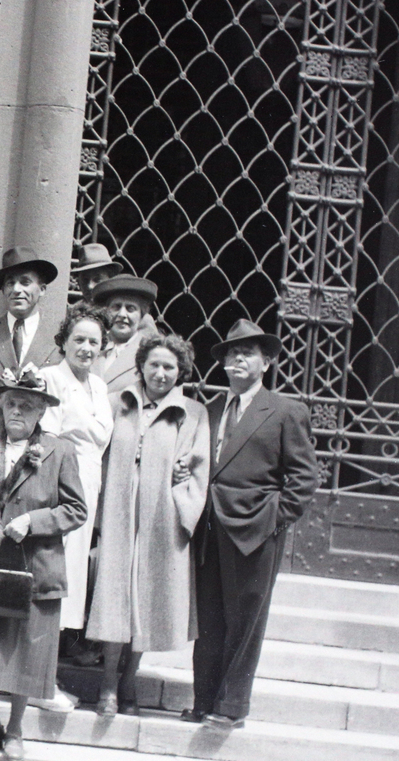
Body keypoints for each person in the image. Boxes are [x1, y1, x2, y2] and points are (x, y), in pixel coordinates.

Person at [0, 369, 87, 761]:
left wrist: (34, 521)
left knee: (25, 651)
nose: (17, 411)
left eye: (27, 405)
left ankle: (15, 730)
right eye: (11, 403)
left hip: (35, 565)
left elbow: (77, 509)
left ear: (41, 412)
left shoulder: (59, 451)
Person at [188, 319, 319, 730]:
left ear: (267, 362)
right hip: (209, 529)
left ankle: (231, 707)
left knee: (246, 619)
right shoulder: (210, 410)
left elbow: (305, 478)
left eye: (248, 352)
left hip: (255, 531)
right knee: (209, 619)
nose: (238, 358)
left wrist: (273, 520)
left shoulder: (285, 411)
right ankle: (203, 701)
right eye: (232, 352)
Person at [88, 333, 210, 716]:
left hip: (160, 518)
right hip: (118, 514)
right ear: (140, 366)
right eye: (153, 364)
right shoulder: (116, 403)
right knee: (115, 596)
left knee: (146, 600)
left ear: (181, 371)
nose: (160, 373)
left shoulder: (193, 413)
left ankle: (129, 681)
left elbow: (197, 466)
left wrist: (181, 502)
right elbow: (96, 455)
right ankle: (108, 684)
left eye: (169, 367)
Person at [38, 304, 115, 697]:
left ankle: (46, 674)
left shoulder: (99, 387)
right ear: (64, 342)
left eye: (93, 342)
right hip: (61, 488)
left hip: (89, 488)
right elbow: (49, 440)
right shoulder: (50, 379)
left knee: (71, 579)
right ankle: (40, 678)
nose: (86, 348)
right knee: (53, 575)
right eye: (79, 339)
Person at [0, 245, 59, 409]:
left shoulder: (58, 340)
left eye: (25, 282)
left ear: (42, 289)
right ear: (3, 290)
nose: (16, 289)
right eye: (10, 283)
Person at [92, 275, 159, 393]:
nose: (122, 314)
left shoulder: (151, 352)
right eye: (116, 307)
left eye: (130, 308)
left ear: (141, 315)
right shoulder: (93, 346)